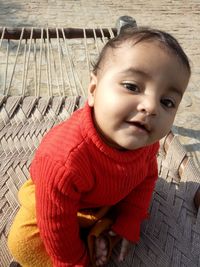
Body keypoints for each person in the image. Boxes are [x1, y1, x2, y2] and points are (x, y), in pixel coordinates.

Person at [8, 26, 191, 267]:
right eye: (132, 87)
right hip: (52, 202)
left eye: (167, 101)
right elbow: (55, 221)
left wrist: (129, 221)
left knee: (116, 216)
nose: (151, 107)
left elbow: (146, 179)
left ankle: (100, 232)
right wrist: (74, 262)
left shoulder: (147, 143)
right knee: (22, 241)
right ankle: (91, 240)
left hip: (103, 201)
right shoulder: (64, 158)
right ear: (93, 90)